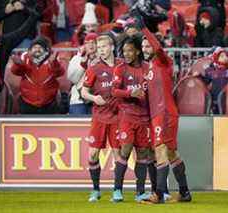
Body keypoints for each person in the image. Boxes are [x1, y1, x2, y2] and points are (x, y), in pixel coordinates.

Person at [139, 15, 192, 204]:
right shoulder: (148, 68)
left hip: (165, 113)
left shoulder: (164, 61)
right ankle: (185, 193)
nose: (145, 49)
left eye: (148, 46)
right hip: (156, 115)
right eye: (143, 46)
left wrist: (144, 29)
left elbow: (159, 48)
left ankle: (159, 194)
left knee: (160, 150)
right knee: (170, 153)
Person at [81, 34, 122, 202]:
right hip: (99, 116)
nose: (101, 51)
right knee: (92, 154)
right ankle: (96, 189)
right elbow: (83, 91)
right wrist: (94, 98)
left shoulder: (122, 65)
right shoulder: (94, 68)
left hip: (118, 117)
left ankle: (117, 190)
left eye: (104, 47)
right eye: (98, 48)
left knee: (118, 155)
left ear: (112, 47)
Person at [111, 35, 150, 202]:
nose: (126, 54)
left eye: (129, 50)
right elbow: (114, 91)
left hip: (144, 117)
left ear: (138, 51)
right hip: (127, 116)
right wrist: (130, 93)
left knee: (142, 154)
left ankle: (140, 192)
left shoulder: (147, 68)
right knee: (125, 151)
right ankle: (117, 190)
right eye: (124, 51)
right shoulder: (120, 69)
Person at [11, 36, 64, 114]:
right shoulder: (25, 57)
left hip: (49, 104)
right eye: (35, 47)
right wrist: (18, 65)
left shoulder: (52, 57)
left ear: (46, 50)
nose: (37, 50)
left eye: (40, 47)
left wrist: (54, 63)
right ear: (30, 50)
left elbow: (59, 73)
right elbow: (16, 72)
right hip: (27, 103)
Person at [194, 47, 228, 114]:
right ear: (216, 58)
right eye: (222, 56)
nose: (225, 57)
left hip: (227, 100)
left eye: (226, 55)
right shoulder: (211, 71)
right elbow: (206, 80)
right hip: (215, 99)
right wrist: (199, 76)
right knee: (216, 115)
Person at [67, 32, 98, 115]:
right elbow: (72, 78)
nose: (91, 45)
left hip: (97, 100)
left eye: (94, 42)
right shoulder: (76, 58)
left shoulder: (104, 59)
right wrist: (83, 65)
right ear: (84, 45)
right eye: (88, 43)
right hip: (78, 100)